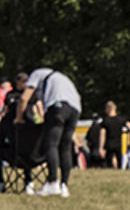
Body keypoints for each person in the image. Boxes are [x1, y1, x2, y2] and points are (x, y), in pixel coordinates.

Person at [18, 67, 82, 196]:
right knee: (65, 146)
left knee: (51, 144)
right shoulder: (60, 77)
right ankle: (64, 185)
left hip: (58, 105)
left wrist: (18, 117)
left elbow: (24, 98)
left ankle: (52, 182)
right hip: (75, 108)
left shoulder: (36, 74)